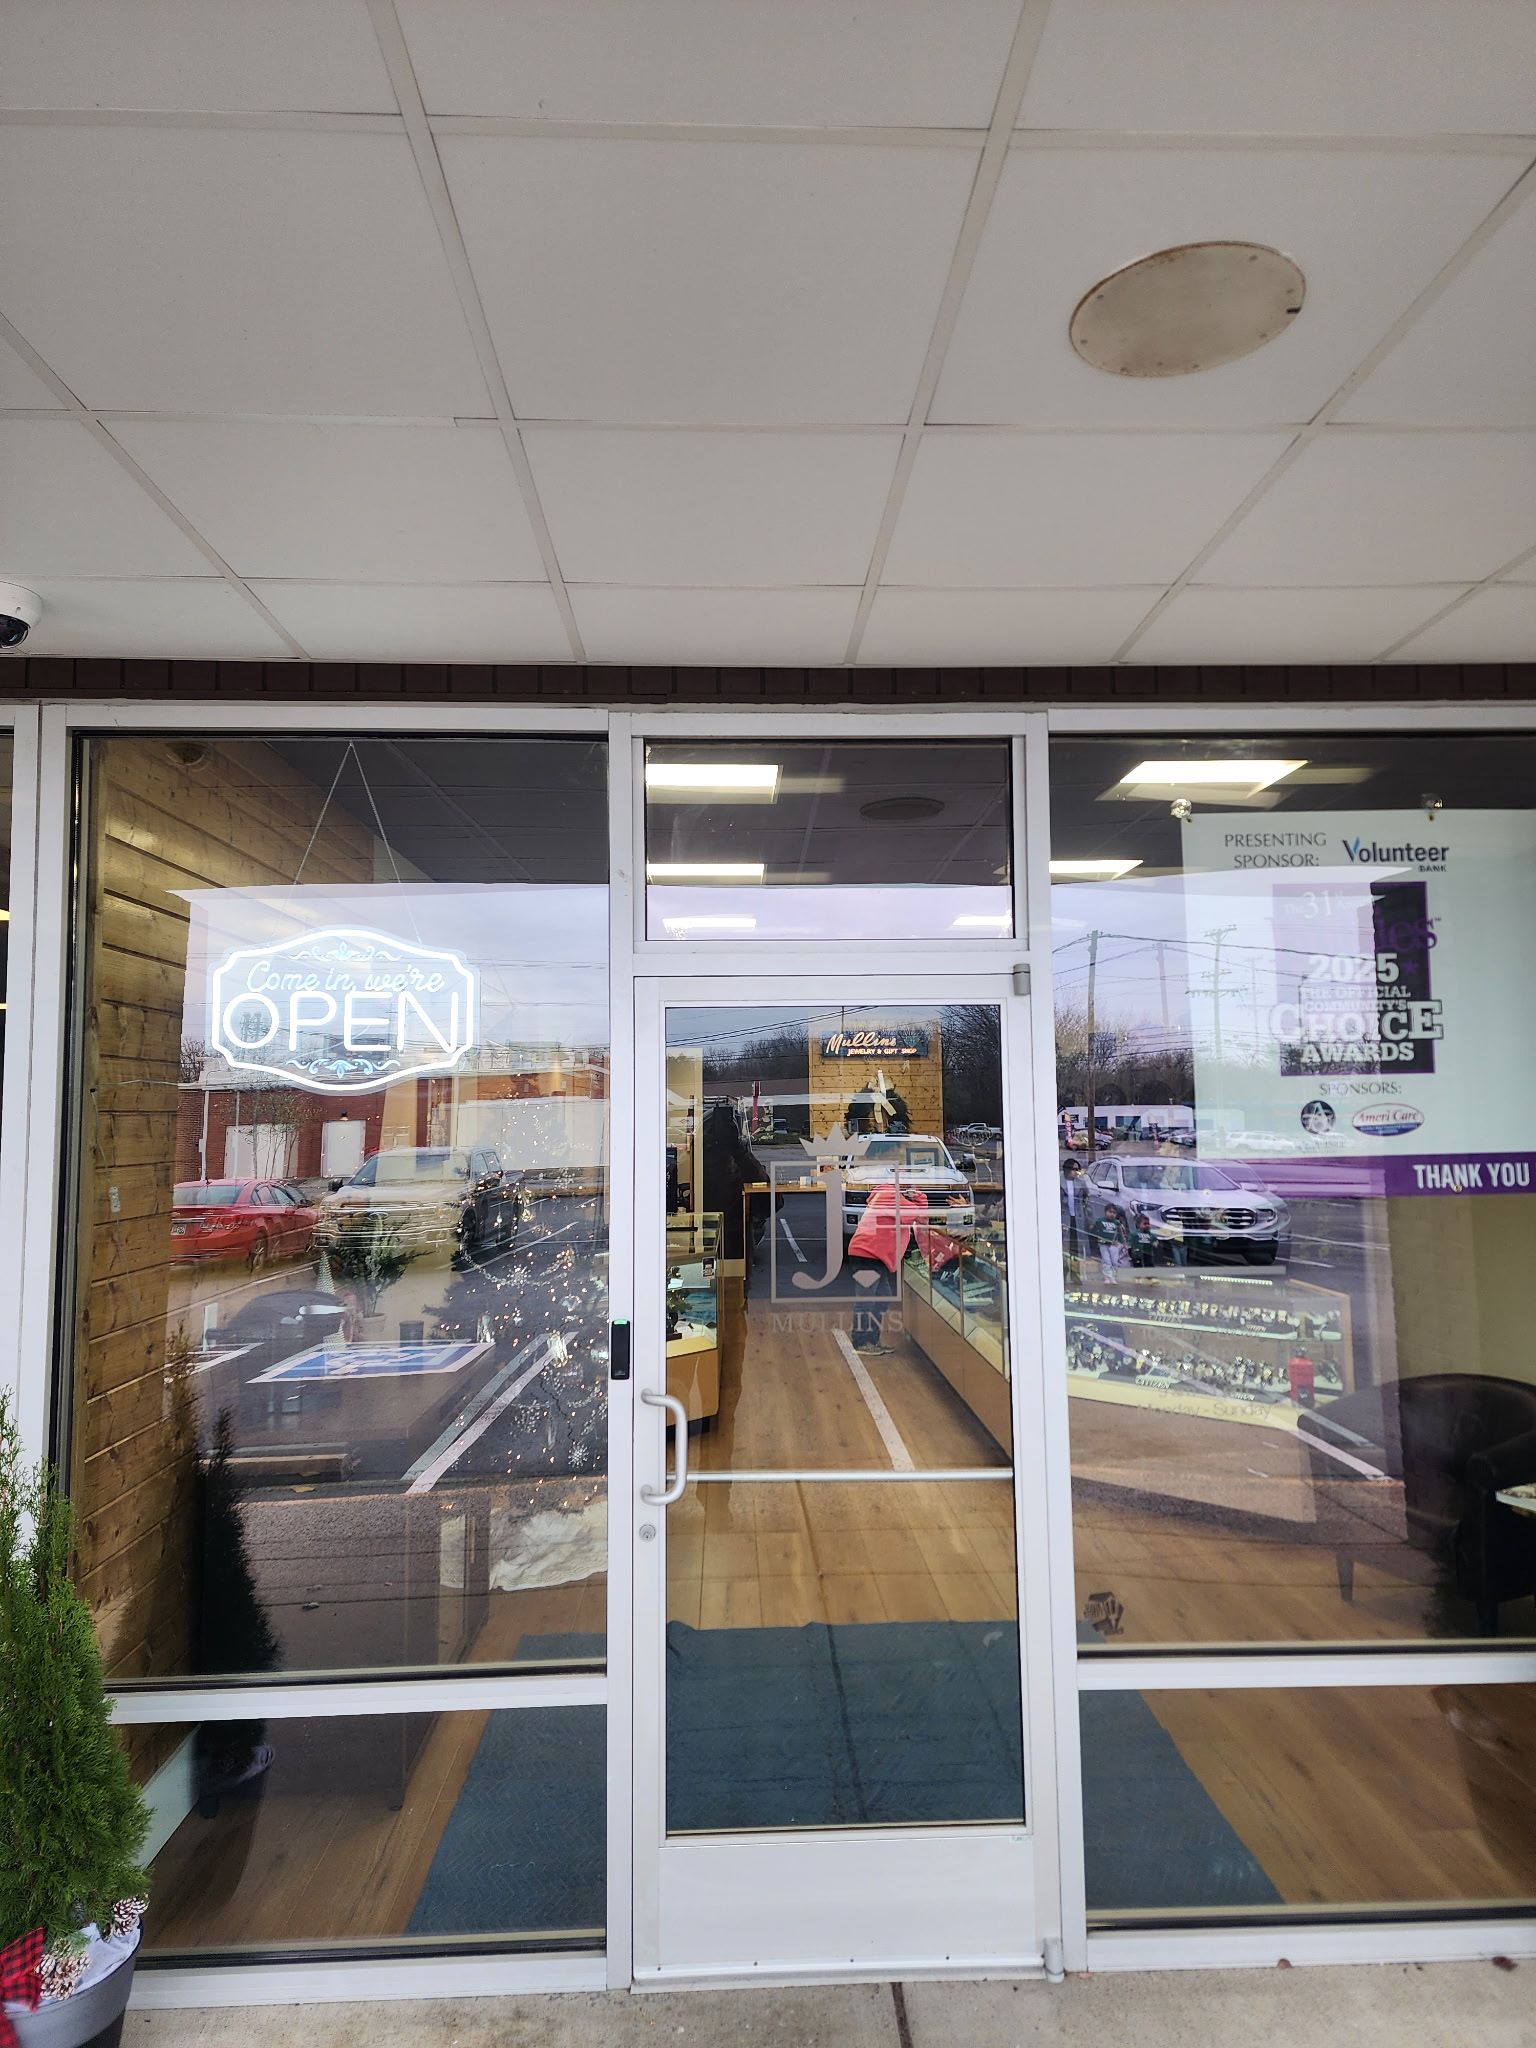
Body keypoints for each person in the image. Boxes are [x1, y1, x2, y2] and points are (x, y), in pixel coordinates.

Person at [846, 1177, 929, 1354]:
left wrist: (915, 1197)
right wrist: (920, 1197)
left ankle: (871, 1340)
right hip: (867, 1254)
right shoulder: (888, 1195)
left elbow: (917, 1216)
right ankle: (860, 1342)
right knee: (866, 1300)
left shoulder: (888, 1195)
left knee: (883, 1296)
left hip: (874, 1255)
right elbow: (917, 1214)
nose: (909, 1186)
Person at [1092, 1203, 1129, 1281]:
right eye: (1110, 1212)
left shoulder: (1117, 1223)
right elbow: (1093, 1228)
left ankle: (1113, 1276)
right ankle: (1107, 1277)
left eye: (1114, 1213)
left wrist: (1124, 1243)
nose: (1112, 1214)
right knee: (1107, 1261)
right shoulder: (1100, 1220)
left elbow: (1120, 1233)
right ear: (1105, 1212)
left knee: (1114, 1262)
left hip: (1114, 1245)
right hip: (1103, 1244)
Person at [1060, 1156, 1086, 1263]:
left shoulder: (1080, 1182)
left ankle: (1076, 1267)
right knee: (1064, 1242)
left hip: (1077, 1216)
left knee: (1076, 1242)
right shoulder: (1058, 1181)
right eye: (1074, 1169)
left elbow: (1086, 1197)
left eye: (1077, 1170)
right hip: (1063, 1216)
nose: (1076, 1172)